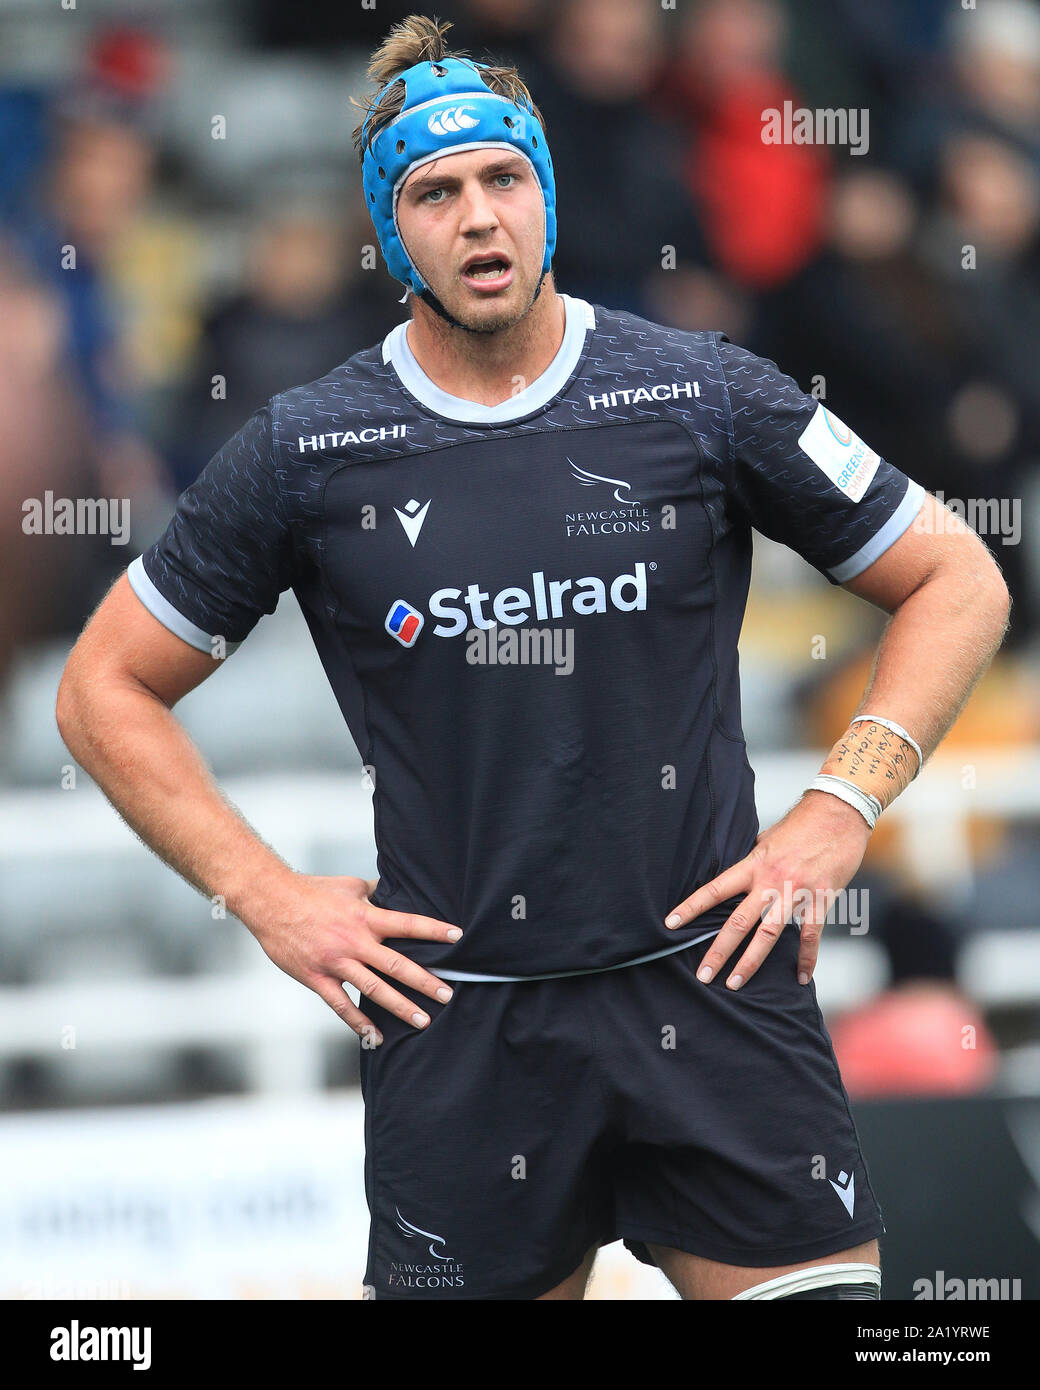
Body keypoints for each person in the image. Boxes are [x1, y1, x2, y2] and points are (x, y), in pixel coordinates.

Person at [55, 15, 1011, 1300]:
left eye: (503, 178)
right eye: (433, 192)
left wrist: (839, 806)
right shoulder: (303, 449)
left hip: (712, 994)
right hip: (463, 1036)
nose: (478, 215)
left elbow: (957, 575)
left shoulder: (700, 392)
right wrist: (265, 896)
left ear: (544, 192)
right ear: (392, 233)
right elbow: (100, 686)